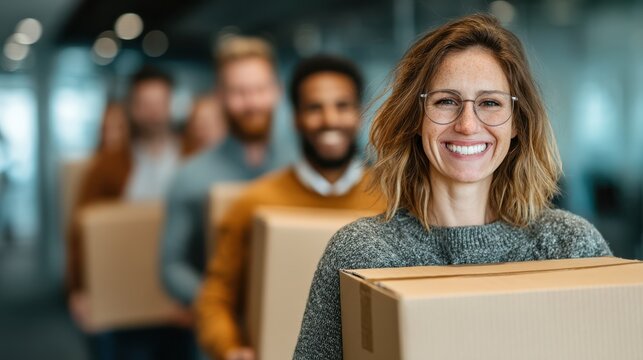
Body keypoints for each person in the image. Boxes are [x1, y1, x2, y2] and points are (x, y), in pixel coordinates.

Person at [294, 14, 612, 359]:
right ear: (416, 117)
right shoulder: (363, 254)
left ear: (517, 123)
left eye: (490, 103)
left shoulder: (569, 247)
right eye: (446, 101)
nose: (467, 124)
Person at [194, 55, 386, 360]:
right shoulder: (255, 202)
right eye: (314, 108)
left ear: (359, 115)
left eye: (342, 105)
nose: (329, 119)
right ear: (295, 117)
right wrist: (229, 348)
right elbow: (215, 297)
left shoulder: (392, 199)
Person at [67, 66, 193, 360]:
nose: (152, 112)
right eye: (144, 104)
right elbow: (81, 230)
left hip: (179, 303)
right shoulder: (107, 166)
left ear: (170, 105)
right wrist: (78, 289)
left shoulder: (192, 158)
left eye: (159, 103)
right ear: (133, 108)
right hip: (124, 300)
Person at [161, 36, 292, 308]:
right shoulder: (190, 176)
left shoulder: (302, 165)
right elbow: (171, 266)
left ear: (278, 90)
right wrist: (215, 305)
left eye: (260, 89)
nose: (252, 102)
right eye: (238, 91)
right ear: (220, 96)